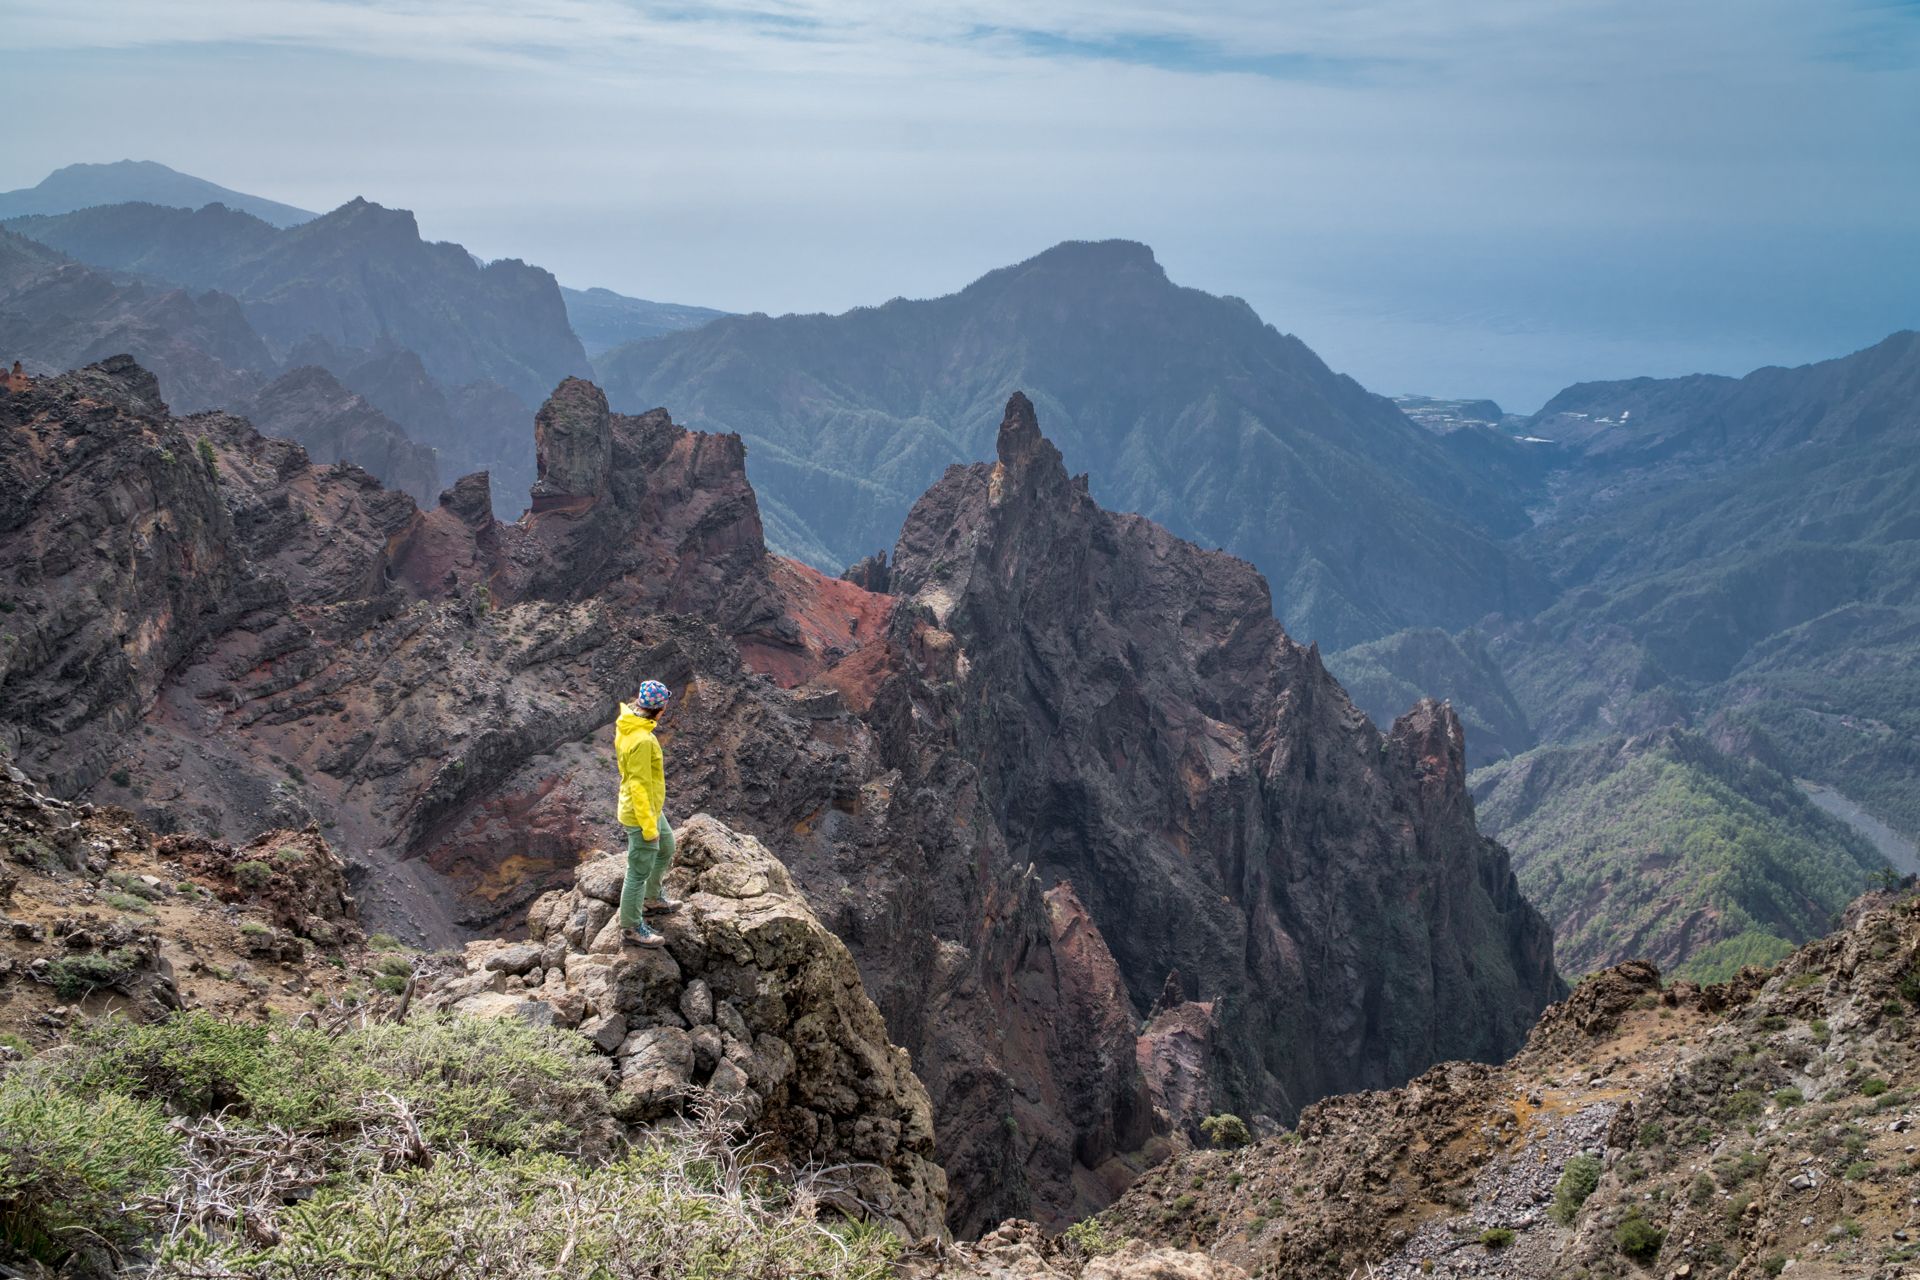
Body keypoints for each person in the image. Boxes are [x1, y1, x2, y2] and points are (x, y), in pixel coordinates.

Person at [615, 679, 680, 948]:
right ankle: (631, 927)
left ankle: (653, 898)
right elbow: (639, 786)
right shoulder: (641, 739)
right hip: (642, 813)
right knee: (638, 872)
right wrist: (648, 827)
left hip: (651, 808)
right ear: (660, 709)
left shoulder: (632, 724)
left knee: (667, 846)